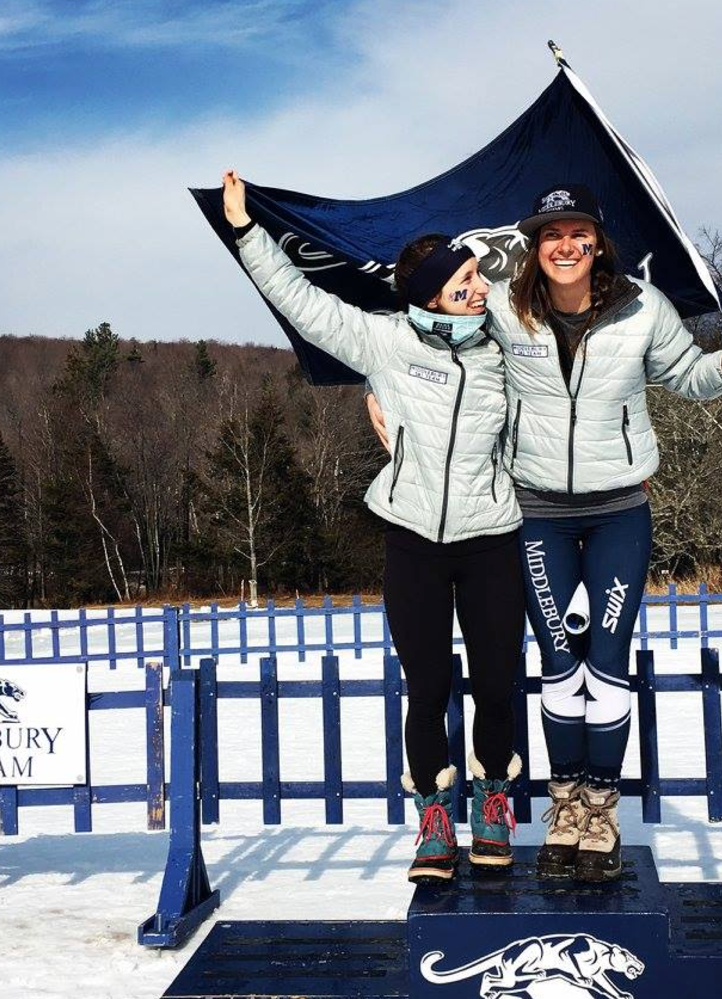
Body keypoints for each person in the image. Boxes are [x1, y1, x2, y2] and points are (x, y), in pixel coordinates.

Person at [368, 184, 722, 883]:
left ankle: (600, 812)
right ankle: (564, 808)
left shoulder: (643, 308)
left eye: (578, 232)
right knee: (559, 661)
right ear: (534, 245)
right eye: (551, 235)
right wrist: (384, 400)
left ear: (598, 240)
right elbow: (427, 337)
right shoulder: (505, 309)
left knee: (605, 659)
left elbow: (688, 375)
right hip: (537, 513)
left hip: (618, 508)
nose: (565, 246)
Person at [221, 171, 527, 883]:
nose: (479, 290)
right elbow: (302, 301)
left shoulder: (504, 347)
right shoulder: (385, 343)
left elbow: (555, 396)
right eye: (463, 285)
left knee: (496, 681)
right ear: (429, 298)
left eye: (479, 278)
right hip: (413, 539)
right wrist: (246, 230)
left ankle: (492, 803)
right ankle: (432, 819)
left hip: (491, 537)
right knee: (427, 685)